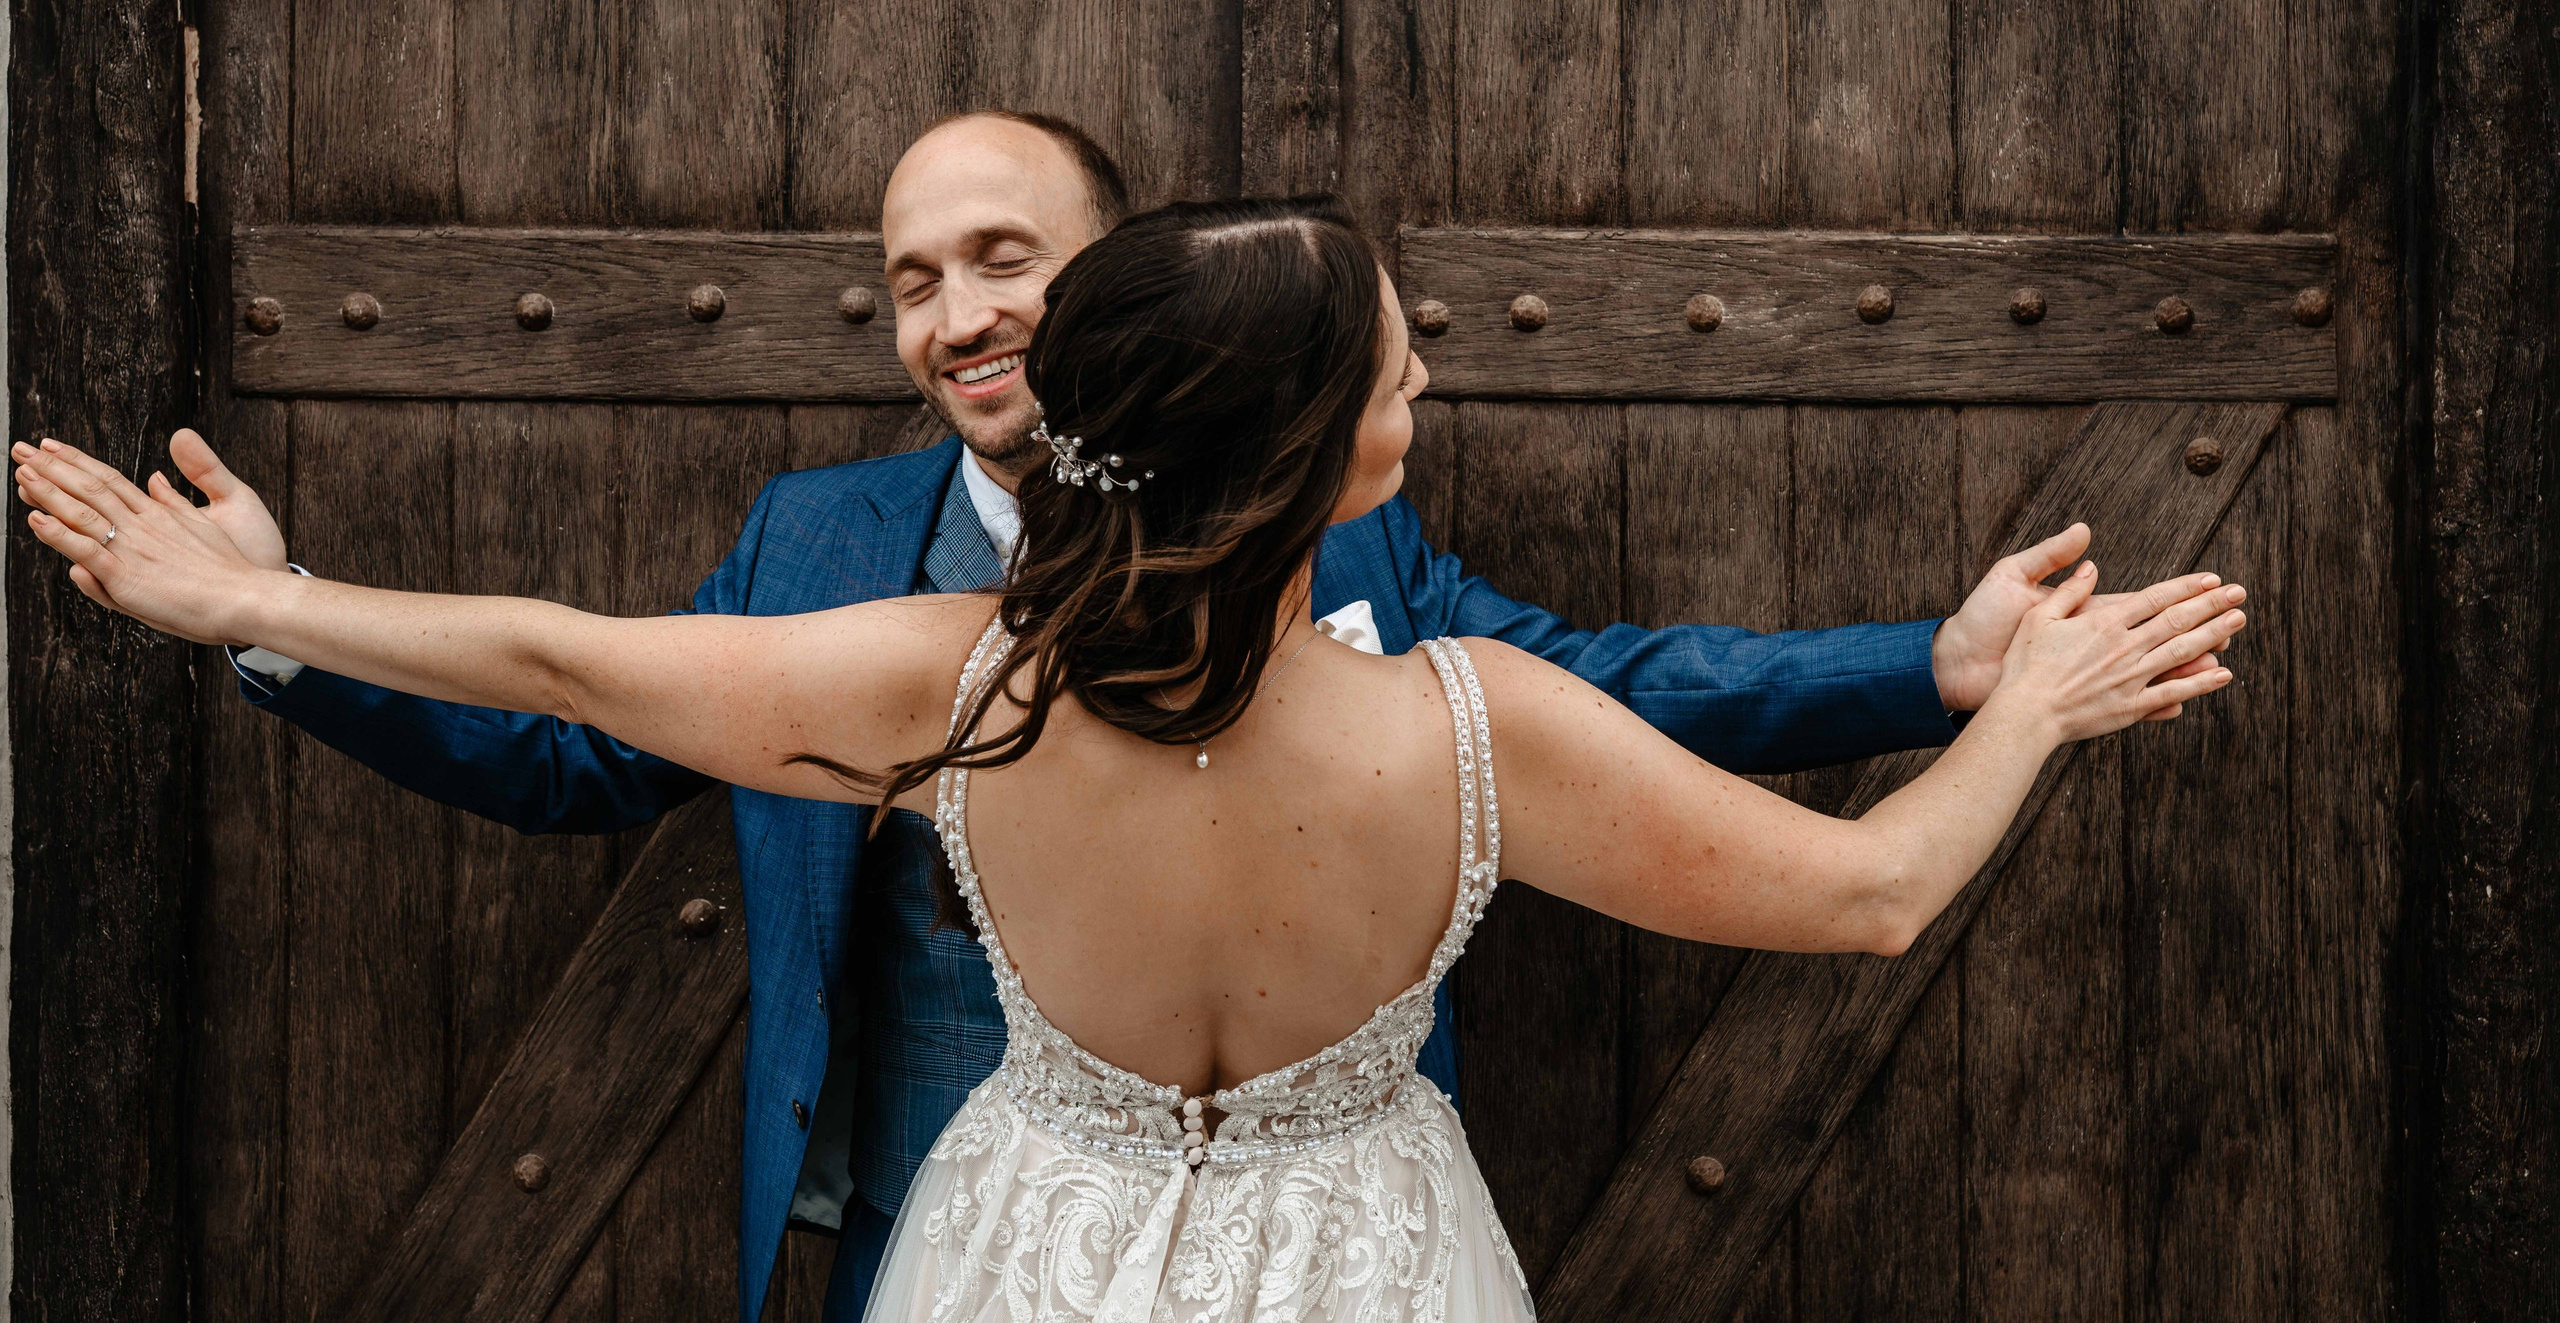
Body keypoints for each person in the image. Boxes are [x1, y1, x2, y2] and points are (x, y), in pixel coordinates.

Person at [20, 194, 2244, 1323]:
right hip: (1370, 1259)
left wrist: (261, 602)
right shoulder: (1473, 731)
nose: (1426, 379)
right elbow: (1862, 893)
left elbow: (568, 659)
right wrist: (2028, 709)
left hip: (1014, 1246)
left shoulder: (938, 684)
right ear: (1313, 452)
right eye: (1398, 362)